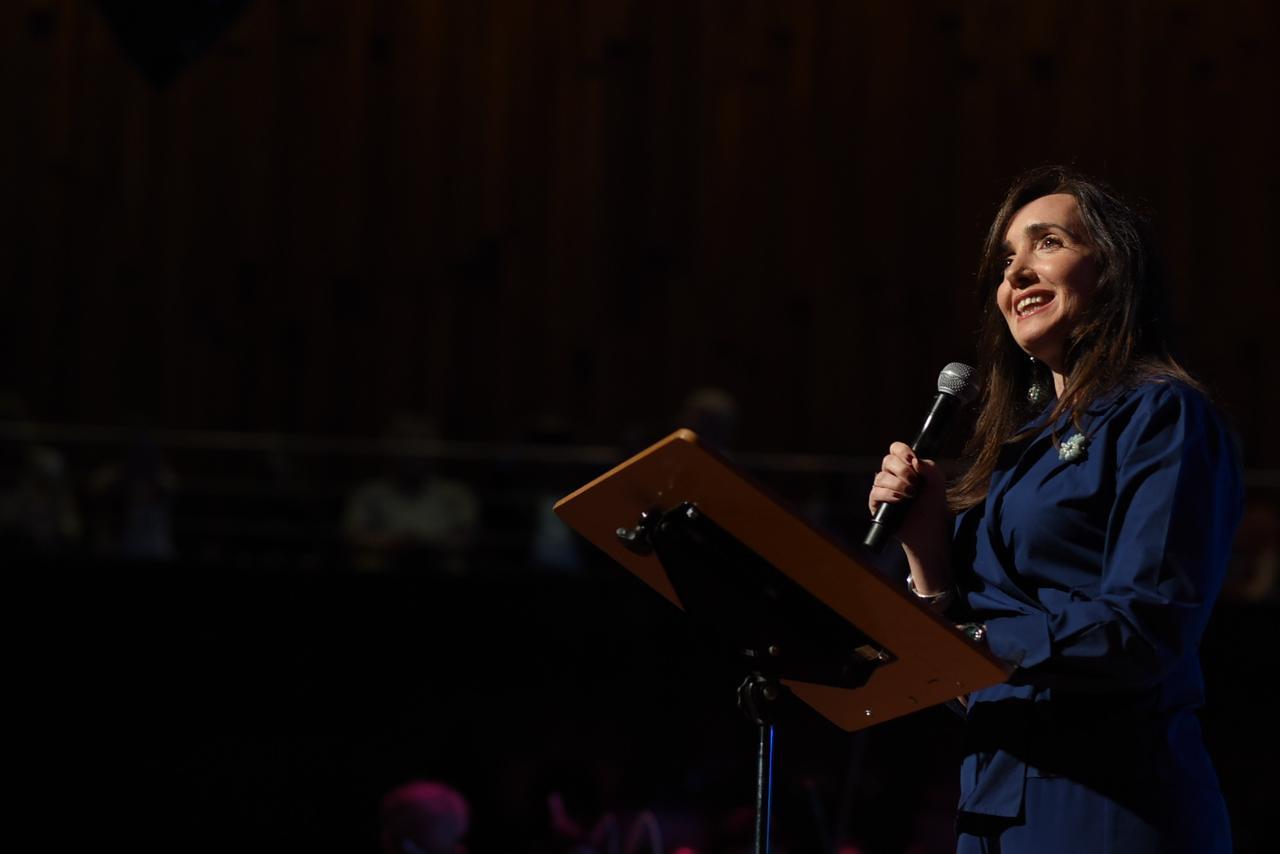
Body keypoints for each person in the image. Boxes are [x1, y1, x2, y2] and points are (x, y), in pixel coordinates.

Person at [867, 166, 1240, 853]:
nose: (1016, 274)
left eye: (1047, 243)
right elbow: (962, 684)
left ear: (1114, 268)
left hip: (1109, 803)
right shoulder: (1015, 452)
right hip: (992, 801)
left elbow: (1145, 626)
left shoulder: (1162, 414)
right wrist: (926, 551)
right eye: (1006, 259)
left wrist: (977, 644)